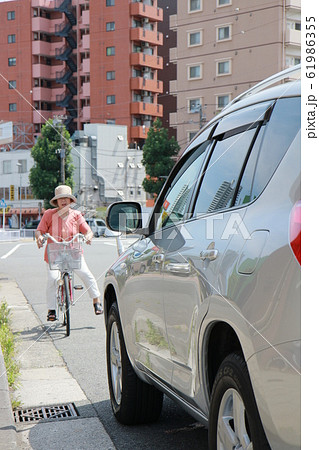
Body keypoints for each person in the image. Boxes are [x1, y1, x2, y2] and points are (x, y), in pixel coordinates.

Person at [35, 185, 103, 321]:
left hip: (74, 253)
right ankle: (51, 310)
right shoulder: (49, 214)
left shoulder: (76, 215)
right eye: (60, 198)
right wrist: (40, 237)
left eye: (66, 198)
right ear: (56, 201)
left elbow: (87, 231)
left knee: (86, 274)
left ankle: (96, 301)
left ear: (71, 200)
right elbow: (39, 230)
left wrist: (88, 236)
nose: (63, 201)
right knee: (53, 279)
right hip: (54, 254)